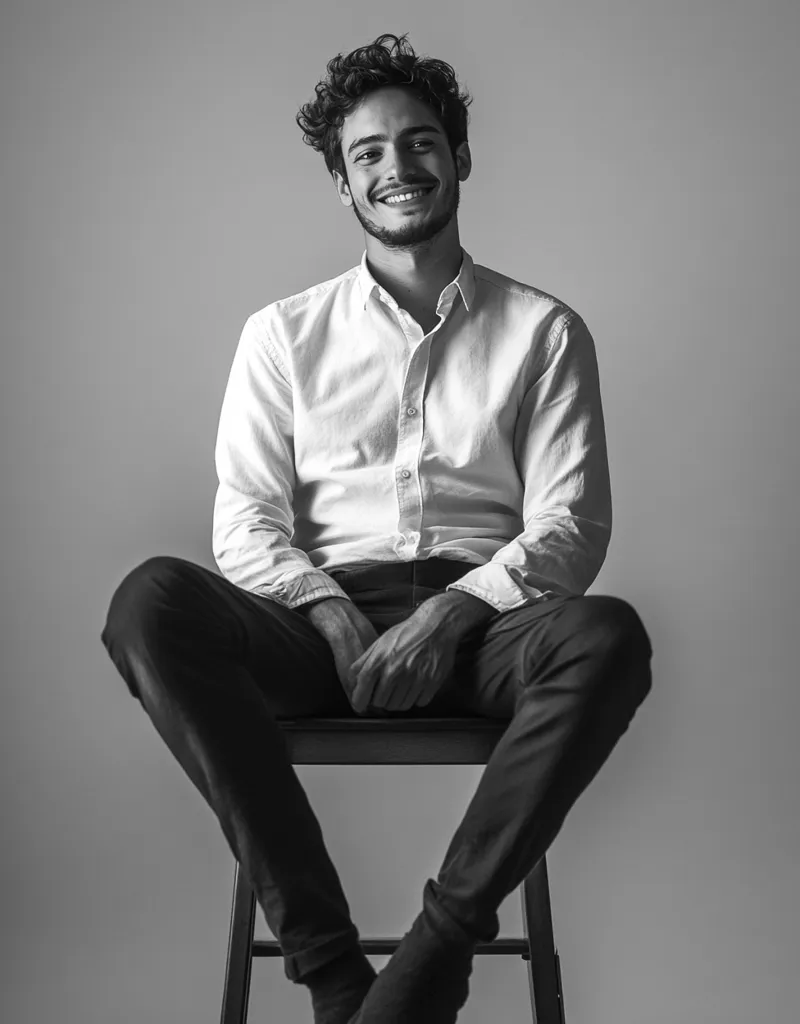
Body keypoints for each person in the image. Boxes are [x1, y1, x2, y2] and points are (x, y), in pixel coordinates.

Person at [100, 32, 653, 1024]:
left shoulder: (543, 331)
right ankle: (336, 975)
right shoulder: (282, 334)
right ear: (341, 183)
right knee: (150, 601)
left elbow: (570, 523)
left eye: (419, 142)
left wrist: (445, 614)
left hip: (482, 628)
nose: (396, 167)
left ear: (458, 158)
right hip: (320, 633)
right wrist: (329, 612)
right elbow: (246, 521)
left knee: (609, 635)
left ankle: (430, 964)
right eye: (367, 153)